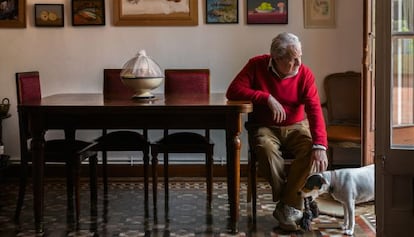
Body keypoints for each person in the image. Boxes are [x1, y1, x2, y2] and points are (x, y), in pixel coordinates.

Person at [226, 32, 328, 231]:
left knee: (310, 149)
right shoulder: (257, 65)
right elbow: (233, 90)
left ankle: (286, 206)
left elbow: (314, 110)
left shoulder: (304, 74)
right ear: (277, 58)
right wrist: (266, 98)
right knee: (264, 148)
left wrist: (320, 145)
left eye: (300, 57)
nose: (299, 63)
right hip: (265, 127)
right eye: (293, 59)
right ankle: (292, 203)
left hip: (297, 125)